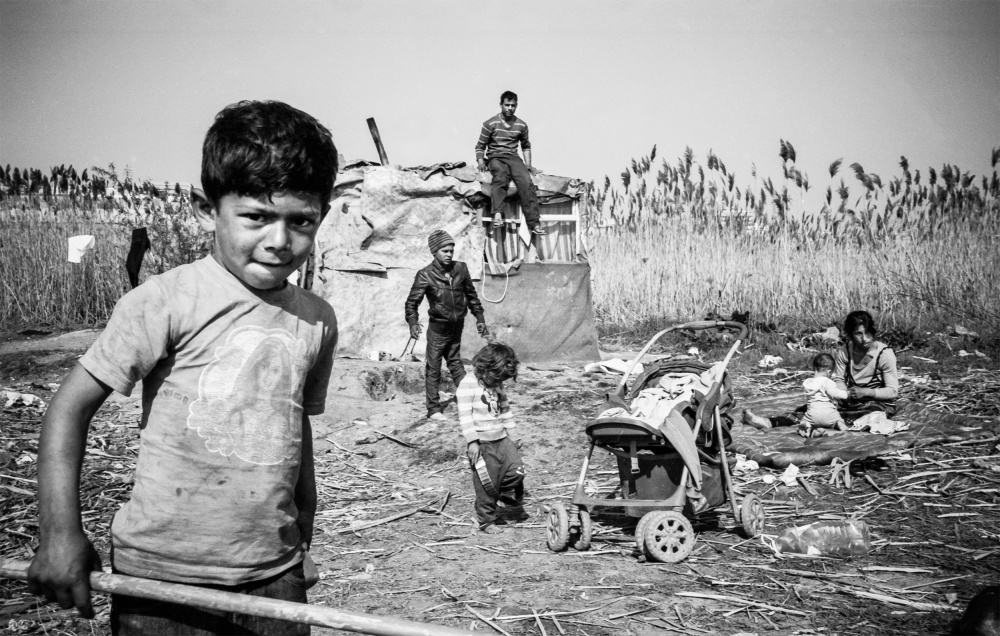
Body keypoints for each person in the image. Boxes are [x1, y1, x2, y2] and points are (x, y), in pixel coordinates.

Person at [26, 100, 340, 636]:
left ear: (321, 217)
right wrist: (59, 534)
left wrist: (302, 536)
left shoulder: (316, 319)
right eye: (257, 217)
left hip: (273, 572)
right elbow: (69, 409)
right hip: (161, 578)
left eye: (301, 221)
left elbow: (292, 427)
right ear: (205, 209)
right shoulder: (166, 302)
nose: (279, 240)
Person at [744, 310, 899, 430]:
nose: (864, 338)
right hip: (851, 399)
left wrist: (866, 392)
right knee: (814, 409)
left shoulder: (884, 355)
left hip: (875, 402)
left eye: (868, 333)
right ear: (851, 335)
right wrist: (842, 394)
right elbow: (839, 379)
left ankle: (833, 425)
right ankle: (769, 422)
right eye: (858, 334)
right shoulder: (845, 351)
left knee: (868, 416)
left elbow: (892, 392)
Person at [405, 230, 489, 421]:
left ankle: (471, 399)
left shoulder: (461, 269)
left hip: (456, 326)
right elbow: (411, 303)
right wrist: (412, 322)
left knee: (455, 363)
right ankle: (434, 409)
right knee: (433, 368)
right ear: (434, 252)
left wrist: (480, 318)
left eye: (451, 250)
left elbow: (472, 296)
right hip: (438, 329)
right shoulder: (425, 275)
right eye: (445, 251)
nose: (449, 254)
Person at [457, 343, 526, 534]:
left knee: (517, 471)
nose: (498, 382)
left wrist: (513, 434)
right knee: (485, 483)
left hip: (502, 439)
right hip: (482, 444)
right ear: (484, 367)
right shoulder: (467, 384)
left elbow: (505, 410)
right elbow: (465, 416)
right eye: (496, 378)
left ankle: (500, 494)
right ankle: (487, 519)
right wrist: (472, 442)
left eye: (501, 380)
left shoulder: (497, 384)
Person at [475, 90, 545, 235]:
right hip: (495, 156)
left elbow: (525, 146)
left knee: (526, 181)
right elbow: (480, 146)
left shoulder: (521, 125)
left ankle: (534, 223)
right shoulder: (490, 123)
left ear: (516, 106)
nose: (510, 108)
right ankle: (497, 214)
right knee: (500, 176)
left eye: (513, 105)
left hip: (513, 157)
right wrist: (481, 162)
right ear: (501, 105)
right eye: (507, 105)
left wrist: (528, 165)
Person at [797, 353, 850, 438]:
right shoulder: (828, 382)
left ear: (814, 368)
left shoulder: (807, 383)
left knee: (803, 422)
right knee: (839, 420)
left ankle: (809, 430)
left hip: (812, 416)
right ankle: (839, 424)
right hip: (830, 415)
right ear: (829, 372)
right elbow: (835, 393)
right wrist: (847, 394)